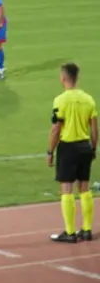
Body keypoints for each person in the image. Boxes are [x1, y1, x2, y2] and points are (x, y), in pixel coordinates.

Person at [48, 62, 97, 243]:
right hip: (85, 146)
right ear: (77, 77)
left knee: (67, 189)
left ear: (63, 78)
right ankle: (87, 230)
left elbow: (56, 129)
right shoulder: (89, 99)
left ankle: (70, 232)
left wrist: (50, 151)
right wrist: (93, 148)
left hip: (68, 147)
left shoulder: (60, 100)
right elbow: (95, 128)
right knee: (84, 187)